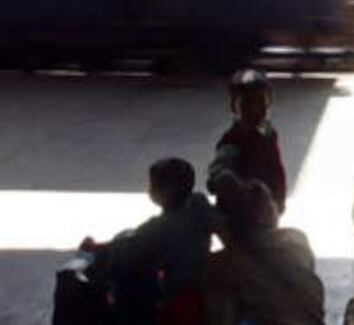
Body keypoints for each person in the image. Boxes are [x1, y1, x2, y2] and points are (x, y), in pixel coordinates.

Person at [80, 158, 219, 324]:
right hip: (199, 286)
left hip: (175, 297)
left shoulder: (160, 228)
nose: (150, 190)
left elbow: (125, 255)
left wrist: (98, 250)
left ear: (161, 191)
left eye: (154, 185)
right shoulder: (198, 206)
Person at [204, 179, 325, 325]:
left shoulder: (223, 265)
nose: (275, 205)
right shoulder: (296, 241)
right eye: (270, 201)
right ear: (267, 215)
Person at [208, 68, 287, 216]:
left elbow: (276, 169)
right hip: (243, 217)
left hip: (267, 210)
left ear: (269, 102)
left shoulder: (268, 132)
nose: (255, 109)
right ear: (234, 106)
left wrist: (279, 201)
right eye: (247, 103)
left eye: (260, 102)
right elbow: (217, 177)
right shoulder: (231, 141)